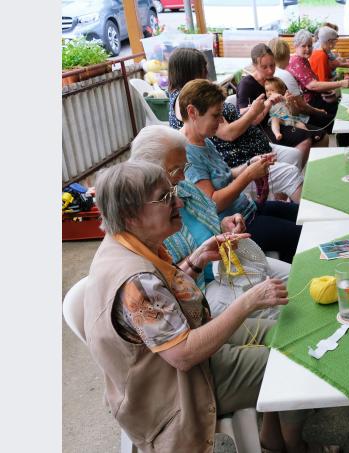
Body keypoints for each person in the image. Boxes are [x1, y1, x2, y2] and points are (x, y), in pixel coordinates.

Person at [83, 160, 310, 453]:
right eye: (165, 198)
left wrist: (196, 259)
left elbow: (162, 300)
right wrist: (249, 301)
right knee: (294, 363)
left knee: (290, 332)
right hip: (177, 386)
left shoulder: (121, 245)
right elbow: (184, 355)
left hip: (179, 358)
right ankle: (295, 445)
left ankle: (272, 440)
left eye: (173, 193)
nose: (178, 202)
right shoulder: (135, 282)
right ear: (130, 215)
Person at [128, 125, 292, 298]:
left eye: (185, 167)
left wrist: (223, 225)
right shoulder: (144, 218)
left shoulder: (182, 187)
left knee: (294, 277)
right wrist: (199, 257)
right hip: (204, 287)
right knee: (278, 300)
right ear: (149, 170)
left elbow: (208, 221)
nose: (183, 177)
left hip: (231, 262)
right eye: (176, 170)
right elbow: (165, 285)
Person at [179, 79, 302, 262]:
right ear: (192, 112)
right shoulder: (186, 153)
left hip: (247, 210)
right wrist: (248, 175)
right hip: (236, 227)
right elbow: (213, 204)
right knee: (301, 234)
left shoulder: (205, 140)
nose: (221, 120)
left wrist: (249, 164)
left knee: (303, 214)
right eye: (215, 115)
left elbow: (225, 174)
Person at [167, 47, 306, 172]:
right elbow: (228, 134)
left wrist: (253, 110)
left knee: (295, 155)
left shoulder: (185, 95)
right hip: (240, 157)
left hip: (252, 146)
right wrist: (254, 111)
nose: (207, 72)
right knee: (292, 170)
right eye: (203, 68)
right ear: (191, 72)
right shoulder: (192, 99)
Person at [236, 43, 313, 163]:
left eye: (272, 65)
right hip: (260, 129)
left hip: (282, 119)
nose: (270, 70)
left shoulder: (275, 81)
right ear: (254, 66)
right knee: (306, 138)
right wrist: (268, 103)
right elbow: (249, 121)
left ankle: (293, 169)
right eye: (264, 67)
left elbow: (294, 113)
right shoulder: (246, 85)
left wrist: (290, 104)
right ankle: (291, 173)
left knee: (321, 136)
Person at [287, 30, 349, 146]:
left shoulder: (302, 60)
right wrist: (340, 83)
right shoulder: (298, 61)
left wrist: (329, 89)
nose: (308, 49)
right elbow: (312, 85)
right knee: (344, 116)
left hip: (315, 99)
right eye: (303, 46)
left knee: (344, 107)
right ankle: (346, 146)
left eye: (309, 46)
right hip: (309, 105)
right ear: (296, 46)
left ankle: (345, 143)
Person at [268, 37, 329, 147]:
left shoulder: (270, 73)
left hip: (276, 117)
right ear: (287, 55)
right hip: (289, 117)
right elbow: (302, 107)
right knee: (328, 126)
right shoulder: (285, 74)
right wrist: (319, 111)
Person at [264, 77, 311, 150]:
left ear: (280, 91)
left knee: (301, 125)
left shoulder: (284, 98)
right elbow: (263, 107)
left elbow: (293, 111)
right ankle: (277, 133)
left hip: (289, 118)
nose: (269, 93)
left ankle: (308, 134)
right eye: (267, 91)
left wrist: (288, 101)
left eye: (272, 90)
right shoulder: (268, 101)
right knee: (274, 119)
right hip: (279, 118)